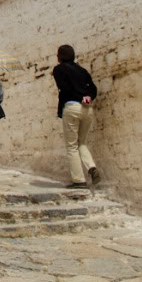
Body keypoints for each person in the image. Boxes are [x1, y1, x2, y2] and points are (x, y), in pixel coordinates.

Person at [52, 44, 100, 188]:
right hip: (87, 109)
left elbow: (65, 89)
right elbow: (93, 89)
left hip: (72, 107)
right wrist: (87, 98)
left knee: (72, 146)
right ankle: (91, 167)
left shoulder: (59, 69)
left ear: (60, 56)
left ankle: (79, 180)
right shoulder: (82, 70)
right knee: (81, 143)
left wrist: (78, 98)